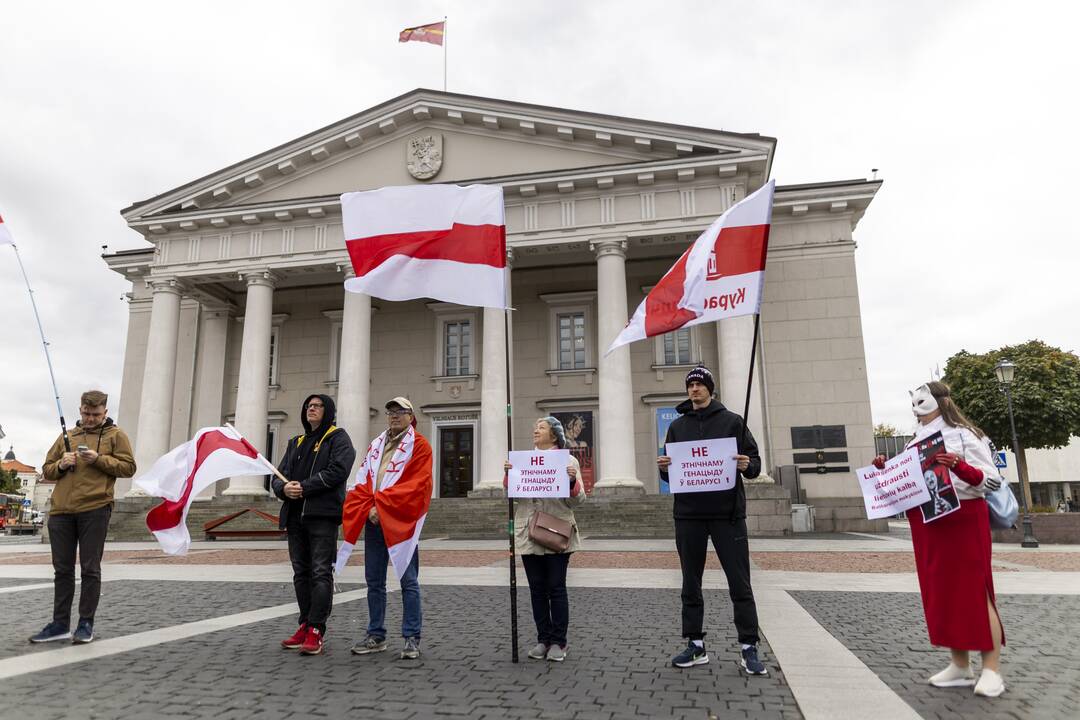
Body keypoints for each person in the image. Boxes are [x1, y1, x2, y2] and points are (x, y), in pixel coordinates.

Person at [874, 382, 1006, 697]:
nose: (916, 407)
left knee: (976, 590)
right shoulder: (914, 441)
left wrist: (959, 466)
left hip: (962, 519)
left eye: (922, 400)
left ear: (938, 400)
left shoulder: (965, 434)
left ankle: (992, 669)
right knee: (942, 592)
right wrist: (884, 471)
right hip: (928, 523)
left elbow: (992, 478)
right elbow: (906, 481)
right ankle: (960, 664)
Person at [656, 365, 768, 675]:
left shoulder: (733, 421)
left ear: (710, 389)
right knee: (690, 583)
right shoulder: (677, 427)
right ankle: (695, 645)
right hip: (688, 515)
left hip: (727, 515)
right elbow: (669, 471)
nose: (694, 389)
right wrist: (664, 467)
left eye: (700, 384)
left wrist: (748, 465)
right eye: (690, 385)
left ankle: (749, 647)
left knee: (740, 583)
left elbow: (755, 463)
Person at [31, 390, 136, 644]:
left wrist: (99, 459)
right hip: (61, 511)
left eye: (96, 414)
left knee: (90, 569)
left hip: (95, 508)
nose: (90, 419)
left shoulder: (115, 435)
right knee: (62, 570)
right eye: (86, 413)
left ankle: (85, 623)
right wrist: (61, 464)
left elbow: (129, 467)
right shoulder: (67, 436)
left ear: (105, 412)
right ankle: (60, 624)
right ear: (80, 410)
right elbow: (47, 469)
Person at [344, 397, 433, 660]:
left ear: (410, 416)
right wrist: (366, 507)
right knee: (374, 581)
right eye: (390, 412)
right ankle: (376, 635)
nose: (394, 416)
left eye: (400, 412)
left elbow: (417, 485)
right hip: (373, 521)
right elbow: (363, 479)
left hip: (401, 523)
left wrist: (381, 507)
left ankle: (411, 638)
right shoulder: (376, 445)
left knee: (409, 581)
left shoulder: (419, 445)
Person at [272, 394, 355, 656]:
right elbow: (278, 475)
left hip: (322, 515)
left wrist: (304, 488)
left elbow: (338, 471)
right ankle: (305, 623)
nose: (311, 409)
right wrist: (284, 488)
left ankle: (317, 629)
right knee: (301, 573)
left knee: (320, 572)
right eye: (308, 405)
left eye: (317, 406)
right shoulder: (295, 442)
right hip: (295, 517)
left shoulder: (337, 438)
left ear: (328, 410)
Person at [503, 416, 585, 662]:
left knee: (556, 588)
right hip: (529, 532)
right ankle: (543, 639)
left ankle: (559, 641)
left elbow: (578, 501)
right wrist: (508, 477)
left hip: (557, 531)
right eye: (535, 427)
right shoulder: (523, 461)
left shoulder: (568, 460)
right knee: (537, 589)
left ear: (554, 434)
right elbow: (512, 497)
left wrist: (572, 481)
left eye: (541, 428)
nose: (535, 431)